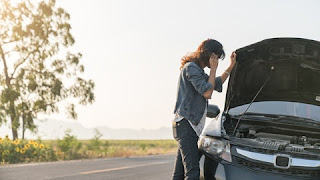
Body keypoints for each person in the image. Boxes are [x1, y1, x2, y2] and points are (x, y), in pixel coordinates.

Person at [172, 39, 236, 180]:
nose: (217, 61)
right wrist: (213, 69)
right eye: (216, 57)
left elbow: (216, 84)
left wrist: (231, 66)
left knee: (179, 174)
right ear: (208, 54)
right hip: (185, 125)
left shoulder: (198, 71)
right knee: (193, 173)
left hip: (189, 127)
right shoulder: (191, 68)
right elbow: (207, 92)